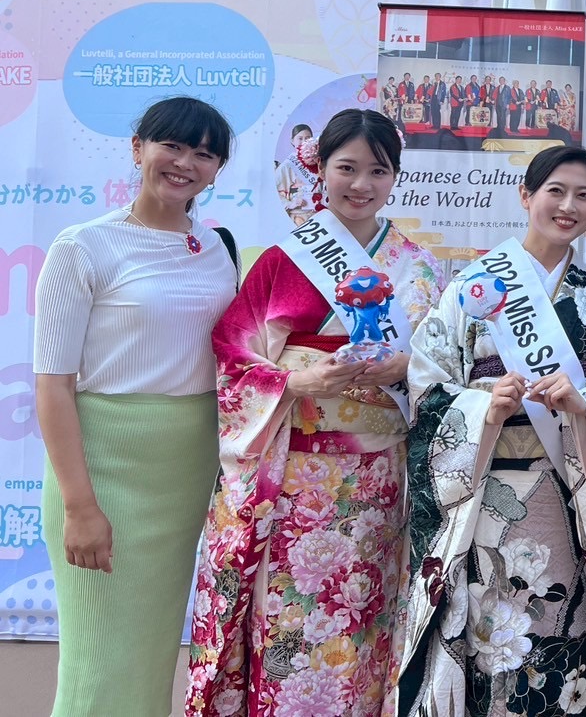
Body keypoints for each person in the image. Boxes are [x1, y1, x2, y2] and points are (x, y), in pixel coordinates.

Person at [188, 108, 445, 716]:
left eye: (378, 171)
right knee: (290, 626)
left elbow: (447, 365)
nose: (361, 184)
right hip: (295, 483)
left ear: (395, 176)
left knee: (364, 627)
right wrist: (300, 379)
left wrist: (406, 368)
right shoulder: (283, 261)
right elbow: (232, 356)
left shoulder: (424, 267)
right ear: (320, 170)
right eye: (346, 168)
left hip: (379, 484)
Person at [401, 146, 586, 716]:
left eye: (584, 196)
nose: (568, 206)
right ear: (526, 195)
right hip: (490, 497)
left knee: (569, 621)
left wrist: (585, 402)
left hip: (571, 499)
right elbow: (426, 381)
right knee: (493, 634)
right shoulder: (472, 286)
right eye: (555, 191)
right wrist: (484, 407)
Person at [33, 96, 237, 717]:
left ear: (218, 169)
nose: (185, 163)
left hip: (185, 473)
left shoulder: (219, 248)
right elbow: (53, 386)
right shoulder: (83, 245)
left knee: (150, 657)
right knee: (98, 662)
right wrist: (80, 507)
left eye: (204, 154)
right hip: (103, 470)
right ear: (137, 148)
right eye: (171, 146)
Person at [275, 122, 320, 226]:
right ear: (292, 141)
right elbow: (274, 191)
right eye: (300, 138)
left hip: (319, 214)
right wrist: (291, 204)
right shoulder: (288, 165)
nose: (304, 141)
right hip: (298, 216)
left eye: (307, 138)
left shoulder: (319, 162)